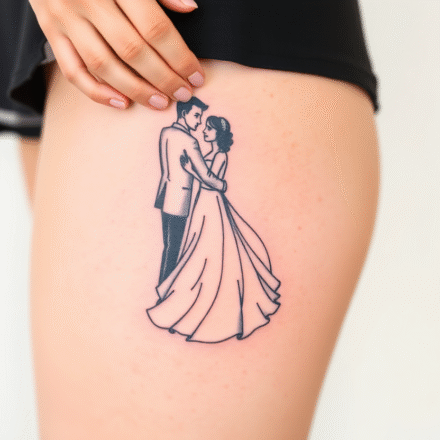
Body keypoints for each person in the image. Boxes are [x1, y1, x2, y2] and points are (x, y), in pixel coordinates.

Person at [0, 0, 380, 438]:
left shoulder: (184, 125)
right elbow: (199, 171)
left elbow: (204, 172)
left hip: (189, 34)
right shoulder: (183, 137)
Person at [147, 112, 281, 342]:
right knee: (195, 247)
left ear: (218, 134)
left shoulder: (220, 155)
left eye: (209, 128)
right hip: (202, 204)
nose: (204, 130)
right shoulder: (208, 152)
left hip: (211, 203)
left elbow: (214, 182)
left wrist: (191, 170)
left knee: (208, 249)